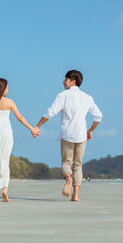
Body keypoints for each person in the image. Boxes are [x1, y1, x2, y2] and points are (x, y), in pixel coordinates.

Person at [33, 70, 102, 201]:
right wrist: (91, 130)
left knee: (66, 163)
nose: (63, 82)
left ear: (73, 81)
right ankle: (75, 194)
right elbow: (98, 116)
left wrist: (38, 126)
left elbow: (50, 112)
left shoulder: (63, 95)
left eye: (66, 79)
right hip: (81, 135)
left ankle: (68, 178)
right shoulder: (88, 98)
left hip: (67, 134)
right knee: (78, 164)